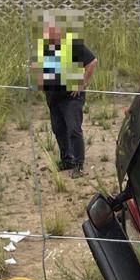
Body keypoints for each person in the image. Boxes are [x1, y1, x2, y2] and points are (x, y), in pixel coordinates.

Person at [36, 12, 97, 178]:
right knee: (58, 130)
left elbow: (92, 62)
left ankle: (78, 165)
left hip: (71, 97)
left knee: (73, 130)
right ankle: (66, 161)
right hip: (54, 98)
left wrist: (81, 83)